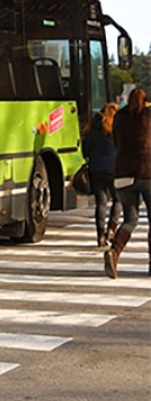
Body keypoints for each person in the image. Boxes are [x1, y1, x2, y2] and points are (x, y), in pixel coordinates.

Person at [104, 87, 151, 278]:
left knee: (130, 219)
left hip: (122, 173)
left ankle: (114, 253)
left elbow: (117, 143)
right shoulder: (149, 115)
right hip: (148, 172)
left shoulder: (120, 117)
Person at [81, 102, 121, 247]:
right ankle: (112, 228)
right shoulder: (116, 129)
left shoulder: (92, 128)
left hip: (96, 169)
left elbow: (85, 150)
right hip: (114, 170)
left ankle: (100, 236)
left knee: (101, 203)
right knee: (118, 200)